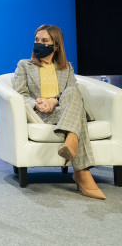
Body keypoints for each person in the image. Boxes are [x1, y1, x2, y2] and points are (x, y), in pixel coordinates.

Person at [14, 24, 105, 199]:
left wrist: (53, 100)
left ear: (56, 45)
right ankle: (82, 172)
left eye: (45, 41)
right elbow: (20, 94)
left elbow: (71, 94)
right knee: (76, 115)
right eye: (37, 40)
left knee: (72, 91)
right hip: (42, 113)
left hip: (63, 108)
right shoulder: (24, 65)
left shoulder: (67, 67)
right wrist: (37, 104)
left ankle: (71, 141)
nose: (39, 43)